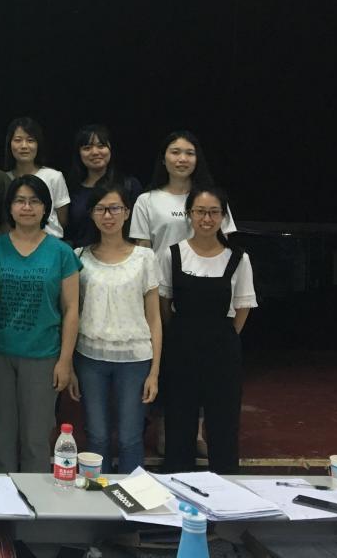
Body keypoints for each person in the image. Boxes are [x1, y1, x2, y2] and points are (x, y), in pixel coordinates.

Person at [0, 174, 80, 473]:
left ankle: (35, 499)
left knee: (36, 438)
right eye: (20, 201)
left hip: (43, 356)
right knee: (1, 436)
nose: (27, 207)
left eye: (34, 201)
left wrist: (65, 360)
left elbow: (71, 309)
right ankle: (1, 498)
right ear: (9, 207)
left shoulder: (61, 252)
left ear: (45, 208)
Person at [159, 187, 256, 475]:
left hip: (222, 351)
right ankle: (177, 485)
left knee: (223, 424)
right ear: (189, 214)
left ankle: (226, 489)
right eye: (200, 211)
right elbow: (164, 304)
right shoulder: (172, 254)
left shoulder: (238, 258)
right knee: (179, 421)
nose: (206, 218)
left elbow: (242, 306)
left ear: (223, 217)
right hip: (180, 348)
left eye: (214, 212)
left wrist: (224, 336)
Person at [68, 184, 161, 474]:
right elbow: (72, 313)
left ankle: (131, 497)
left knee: (130, 436)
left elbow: (154, 318)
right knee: (96, 435)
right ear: (92, 214)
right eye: (101, 209)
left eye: (115, 208)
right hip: (89, 358)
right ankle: (96, 493)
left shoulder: (145, 257)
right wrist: (69, 366)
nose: (108, 215)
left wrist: (155, 371)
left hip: (135, 359)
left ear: (127, 213)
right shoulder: (79, 256)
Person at [130, 130, 238, 256]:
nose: (183, 159)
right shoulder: (146, 200)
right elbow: (143, 250)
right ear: (163, 159)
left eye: (190, 153)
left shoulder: (213, 199)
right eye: (175, 152)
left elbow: (223, 246)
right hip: (161, 269)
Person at [65, 124, 142, 249]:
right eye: (87, 148)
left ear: (110, 149)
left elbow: (139, 231)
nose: (95, 152)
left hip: (123, 257)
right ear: (79, 153)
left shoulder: (129, 186)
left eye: (101, 146)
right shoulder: (71, 189)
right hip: (81, 257)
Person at [3, 117, 69, 239]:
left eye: (30, 140)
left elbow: (63, 219)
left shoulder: (54, 177)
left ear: (38, 144)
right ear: (9, 144)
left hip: (50, 242)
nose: (24, 146)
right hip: (14, 244)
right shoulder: (3, 178)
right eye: (18, 140)